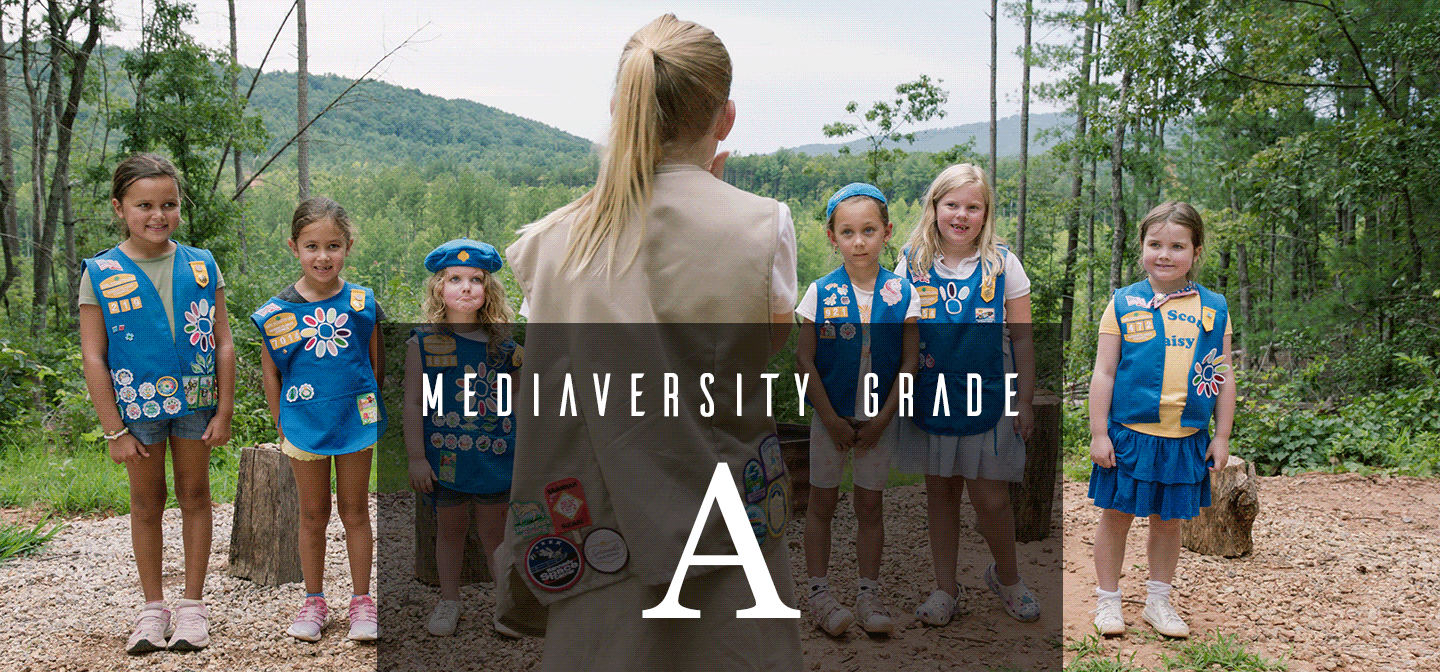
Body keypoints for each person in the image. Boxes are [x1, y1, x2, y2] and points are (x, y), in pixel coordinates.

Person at [496, 14, 803, 670]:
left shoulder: (552, 242)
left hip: (602, 529)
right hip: (725, 529)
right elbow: (766, 345)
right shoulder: (760, 225)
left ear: (619, 107)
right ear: (725, 118)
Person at [79, 153, 235, 654]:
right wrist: (113, 429)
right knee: (146, 504)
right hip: (135, 412)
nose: (158, 215)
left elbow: (223, 340)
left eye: (168, 204)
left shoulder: (201, 263)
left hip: (196, 402)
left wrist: (225, 410)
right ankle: (152, 610)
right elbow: (94, 355)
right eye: (144, 204)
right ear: (119, 207)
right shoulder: (101, 272)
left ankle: (192, 608)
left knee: (196, 496)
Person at [892, 164, 1041, 626]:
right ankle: (945, 589)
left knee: (991, 498)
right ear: (934, 208)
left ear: (985, 214)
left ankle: (1008, 578)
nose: (961, 215)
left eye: (972, 207)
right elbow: (898, 332)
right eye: (951, 204)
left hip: (990, 394)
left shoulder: (1002, 263)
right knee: (941, 493)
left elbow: (1021, 339)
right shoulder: (911, 262)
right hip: (931, 394)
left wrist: (1024, 399)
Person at [1088, 201, 1234, 639]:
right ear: (1141, 248)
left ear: (1196, 251)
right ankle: (1107, 602)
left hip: (1185, 437)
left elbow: (1224, 377)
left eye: (1177, 246)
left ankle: (1158, 601)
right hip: (1130, 436)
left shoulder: (1214, 307)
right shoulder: (1122, 302)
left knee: (1168, 522)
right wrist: (1099, 432)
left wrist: (1221, 435)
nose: (1164, 255)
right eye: (1155, 244)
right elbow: (1105, 371)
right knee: (1115, 516)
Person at [253, 197, 386, 642]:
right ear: (294, 247)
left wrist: (367, 407)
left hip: (356, 419)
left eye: (333, 246)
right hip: (302, 422)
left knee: (355, 511)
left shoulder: (363, 302)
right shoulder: (276, 312)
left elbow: (375, 361)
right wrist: (280, 419)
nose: (323, 257)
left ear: (348, 246)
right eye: (312, 246)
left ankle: (363, 603)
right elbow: (271, 369)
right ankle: (313, 601)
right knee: (312, 514)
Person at [794, 183, 919, 637]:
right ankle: (819, 594)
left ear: (886, 233)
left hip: (879, 421)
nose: (859, 241)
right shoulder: (819, 292)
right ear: (832, 237)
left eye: (869, 230)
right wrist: (828, 417)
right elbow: (804, 360)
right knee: (822, 502)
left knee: (870, 505)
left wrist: (884, 419)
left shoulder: (902, 293)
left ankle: (868, 594)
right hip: (830, 417)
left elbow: (909, 362)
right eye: (847, 232)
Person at [404, 239, 523, 638]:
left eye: (476, 279)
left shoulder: (507, 349)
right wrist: (417, 457)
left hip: (496, 458)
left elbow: (522, 404)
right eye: (455, 278)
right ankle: (449, 600)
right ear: (439, 288)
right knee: (449, 528)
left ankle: (505, 606)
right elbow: (414, 404)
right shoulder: (421, 344)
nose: (466, 287)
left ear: (489, 290)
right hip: (444, 459)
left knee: (496, 533)